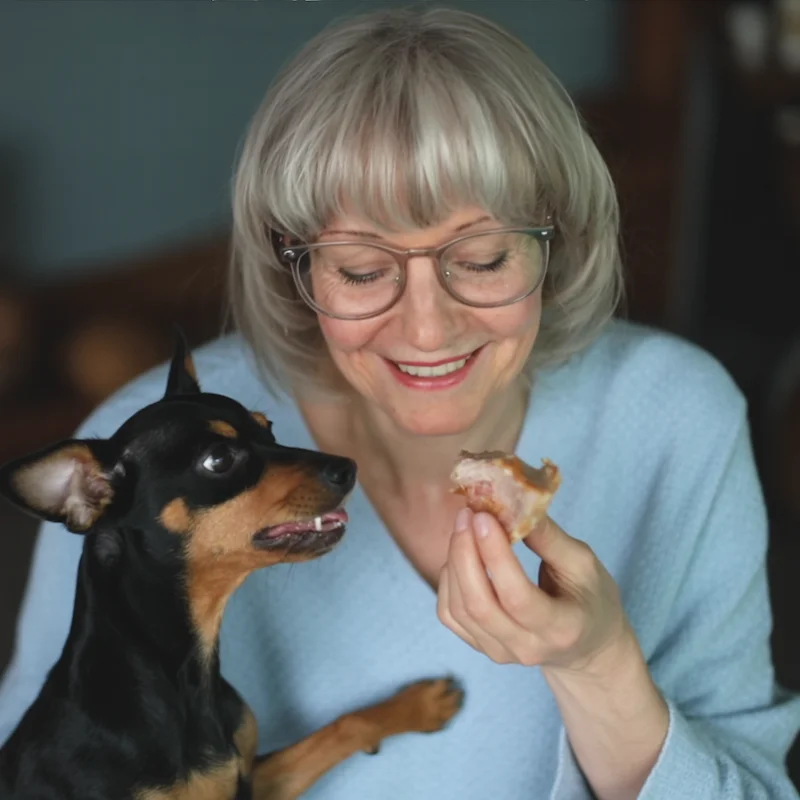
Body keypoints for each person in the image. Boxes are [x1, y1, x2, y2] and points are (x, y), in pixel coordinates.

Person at [1, 6, 799, 798]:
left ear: (559, 240)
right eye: (360, 269)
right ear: (294, 262)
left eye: (482, 258)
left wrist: (595, 663)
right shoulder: (137, 451)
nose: (427, 327)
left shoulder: (675, 418)